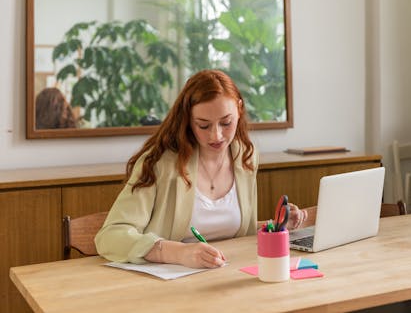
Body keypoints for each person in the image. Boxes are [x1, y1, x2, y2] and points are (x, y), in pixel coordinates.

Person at [95, 69, 307, 268]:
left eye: (226, 123)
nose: (216, 136)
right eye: (203, 125)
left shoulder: (244, 156)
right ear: (188, 120)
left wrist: (275, 228)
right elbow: (110, 236)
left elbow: (235, 232)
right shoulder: (159, 162)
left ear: (239, 110)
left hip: (227, 276)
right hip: (167, 287)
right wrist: (178, 253)